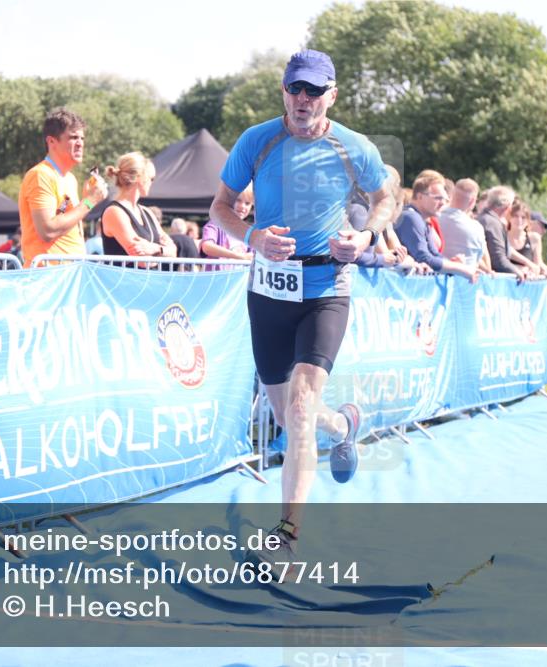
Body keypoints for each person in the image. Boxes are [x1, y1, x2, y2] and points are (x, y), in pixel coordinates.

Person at [208, 48, 394, 573]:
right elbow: (219, 207)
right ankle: (342, 426)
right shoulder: (256, 140)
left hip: (326, 287)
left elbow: (386, 199)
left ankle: (287, 536)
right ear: (284, 91)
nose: (303, 99)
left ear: (332, 95)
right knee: (292, 414)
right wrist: (253, 236)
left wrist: (365, 235)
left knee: (299, 408)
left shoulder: (353, 146)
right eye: (296, 88)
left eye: (314, 90)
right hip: (269, 290)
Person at [18, 108, 108, 268]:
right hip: (48, 275)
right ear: (51, 141)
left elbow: (61, 219)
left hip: (68, 273)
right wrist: (89, 201)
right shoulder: (40, 175)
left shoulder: (70, 179)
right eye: (73, 137)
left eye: (82, 138)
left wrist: (86, 201)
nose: (80, 143)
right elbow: (48, 230)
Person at [394, 171, 478, 281]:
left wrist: (457, 266)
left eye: (445, 199)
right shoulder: (411, 217)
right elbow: (424, 258)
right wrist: (461, 269)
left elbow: (434, 254)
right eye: (438, 198)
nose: (443, 203)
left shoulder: (423, 220)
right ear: (420, 196)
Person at [99, 152, 176, 266]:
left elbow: (174, 252)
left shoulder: (147, 212)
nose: (152, 183)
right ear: (140, 178)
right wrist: (164, 252)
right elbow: (142, 261)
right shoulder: (114, 212)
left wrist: (154, 249)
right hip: (124, 277)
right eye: (151, 178)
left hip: (149, 276)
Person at [439, 178, 490, 273]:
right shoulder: (476, 228)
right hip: (466, 279)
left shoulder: (433, 218)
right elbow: (485, 264)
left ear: (452, 195)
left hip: (435, 278)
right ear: (472, 201)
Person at [201, 185, 254, 270]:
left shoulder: (248, 231)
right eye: (238, 200)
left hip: (239, 278)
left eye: (247, 203)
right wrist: (240, 256)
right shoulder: (215, 224)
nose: (243, 206)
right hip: (218, 278)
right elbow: (207, 247)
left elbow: (253, 254)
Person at [478, 186, 527, 278]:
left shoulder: (482, 218)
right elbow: (498, 261)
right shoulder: (492, 223)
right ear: (508, 207)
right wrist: (519, 272)